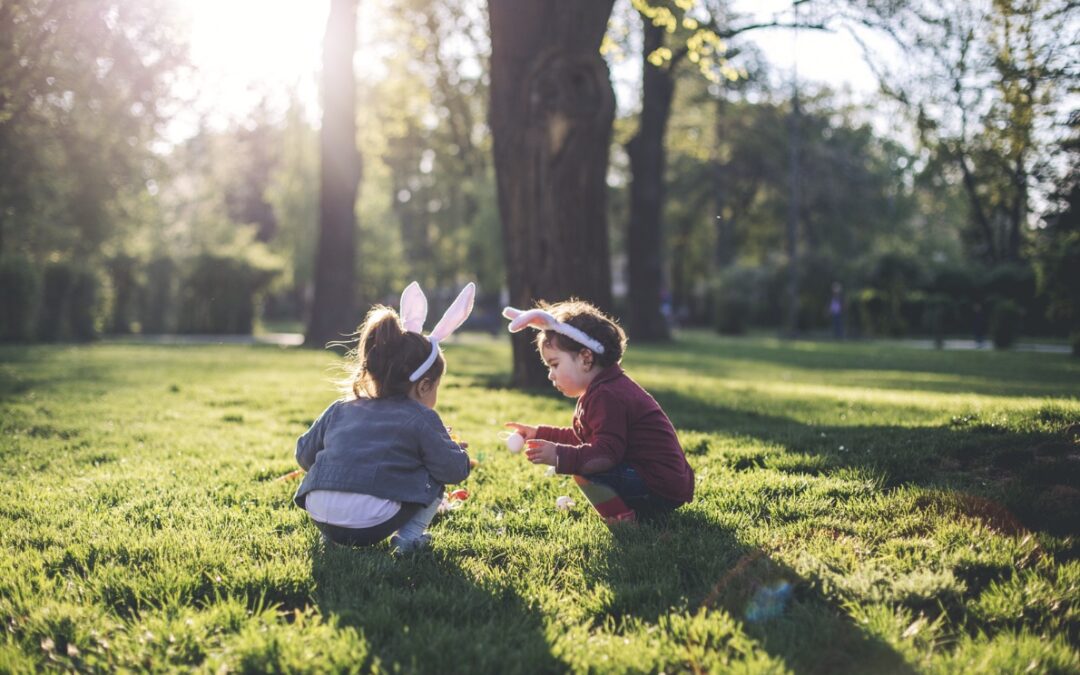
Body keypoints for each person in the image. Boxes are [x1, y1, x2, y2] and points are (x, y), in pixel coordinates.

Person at [293, 282, 475, 554]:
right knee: (434, 469)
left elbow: (304, 457)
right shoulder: (422, 417)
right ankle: (409, 538)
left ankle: (331, 538)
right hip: (373, 521)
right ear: (424, 385)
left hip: (319, 513)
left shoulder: (340, 408)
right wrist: (452, 449)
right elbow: (452, 470)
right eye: (436, 387)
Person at [502, 300, 695, 525]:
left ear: (586, 358)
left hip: (658, 485)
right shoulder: (602, 389)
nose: (550, 375)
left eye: (554, 365)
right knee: (582, 458)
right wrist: (538, 433)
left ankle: (626, 517)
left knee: (586, 468)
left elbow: (605, 454)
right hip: (661, 481)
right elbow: (583, 438)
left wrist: (559, 456)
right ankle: (631, 510)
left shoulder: (608, 395)